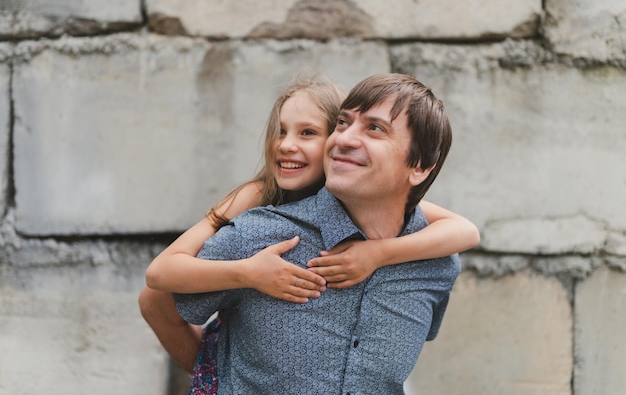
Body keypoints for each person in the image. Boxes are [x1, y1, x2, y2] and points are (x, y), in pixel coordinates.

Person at [172, 73, 469, 394]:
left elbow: (465, 229)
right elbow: (159, 294)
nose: (344, 139)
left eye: (375, 128)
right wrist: (214, 377)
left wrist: (379, 253)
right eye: (342, 123)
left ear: (421, 167)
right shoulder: (257, 234)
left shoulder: (436, 263)